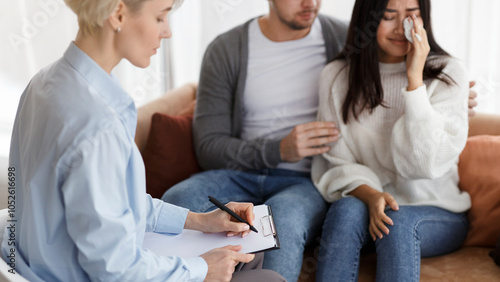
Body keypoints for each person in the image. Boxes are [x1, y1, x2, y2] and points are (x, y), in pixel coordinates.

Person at [1, 0, 286, 281]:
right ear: (118, 14)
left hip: (36, 264)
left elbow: (113, 204)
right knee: (269, 277)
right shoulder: (99, 128)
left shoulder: (43, 82)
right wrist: (202, 269)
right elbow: (115, 269)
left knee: (250, 252)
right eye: (161, 17)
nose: (168, 31)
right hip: (89, 274)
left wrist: (202, 221)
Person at [161, 1, 347, 280]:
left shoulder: (344, 40)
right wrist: (279, 149)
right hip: (237, 175)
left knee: (280, 221)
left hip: (306, 181)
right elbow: (209, 147)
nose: (311, 3)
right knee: (178, 200)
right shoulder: (226, 49)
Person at [312, 0, 471, 281]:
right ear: (367, 19)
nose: (401, 28)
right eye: (388, 16)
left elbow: (425, 164)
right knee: (345, 211)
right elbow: (336, 162)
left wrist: (414, 80)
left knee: (396, 223)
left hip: (437, 210)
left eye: (413, 15)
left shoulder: (448, 73)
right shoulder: (335, 78)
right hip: (366, 206)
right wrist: (373, 196)